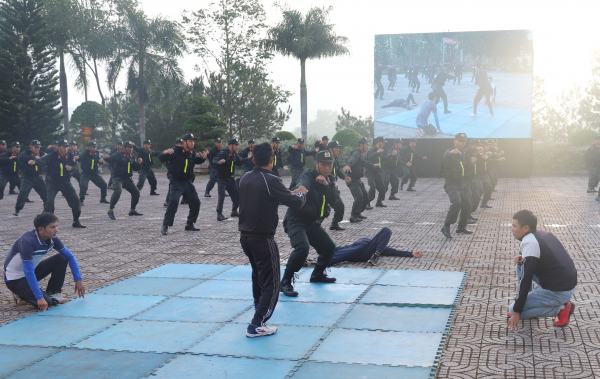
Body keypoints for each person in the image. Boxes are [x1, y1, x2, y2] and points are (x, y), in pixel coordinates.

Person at [238, 142, 307, 337]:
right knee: (273, 282)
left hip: (245, 237)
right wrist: (301, 192)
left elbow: (270, 196)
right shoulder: (271, 179)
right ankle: (257, 323)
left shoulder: (245, 178)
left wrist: (290, 192)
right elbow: (296, 203)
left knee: (258, 276)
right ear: (271, 160)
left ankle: (258, 311)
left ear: (253, 159)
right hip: (263, 239)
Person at [280, 151, 339, 297]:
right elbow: (302, 186)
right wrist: (299, 193)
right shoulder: (307, 175)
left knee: (329, 247)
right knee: (302, 248)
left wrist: (326, 185)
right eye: (324, 164)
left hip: (312, 223)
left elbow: (335, 201)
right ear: (316, 164)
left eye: (329, 164)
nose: (327, 168)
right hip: (296, 220)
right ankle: (285, 282)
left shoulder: (330, 179)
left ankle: (317, 274)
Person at [506, 210, 577, 330]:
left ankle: (563, 308)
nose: (512, 229)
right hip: (563, 283)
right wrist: (524, 258)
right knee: (520, 265)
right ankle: (528, 303)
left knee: (512, 310)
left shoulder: (530, 242)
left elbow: (526, 279)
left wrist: (517, 311)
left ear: (525, 228)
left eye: (514, 226)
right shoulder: (542, 234)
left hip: (559, 291)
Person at [4, 213, 85, 310]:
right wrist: (39, 298)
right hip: (15, 279)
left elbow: (70, 257)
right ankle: (20, 294)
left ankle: (51, 293)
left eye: (56, 226)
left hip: (30, 272)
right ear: (41, 229)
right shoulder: (27, 242)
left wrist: (78, 280)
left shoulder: (53, 238)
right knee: (46, 302)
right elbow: (28, 272)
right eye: (52, 227)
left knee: (61, 258)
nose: (56, 230)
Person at [159, 133, 207, 235]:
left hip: (187, 182)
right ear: (184, 142)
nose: (192, 143)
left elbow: (196, 160)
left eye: (193, 141)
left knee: (196, 202)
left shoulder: (191, 152)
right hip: (176, 181)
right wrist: (164, 153)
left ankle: (189, 224)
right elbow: (162, 159)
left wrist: (203, 158)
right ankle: (165, 225)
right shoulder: (175, 151)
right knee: (174, 201)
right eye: (190, 141)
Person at [36, 140, 85, 228]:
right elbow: (43, 160)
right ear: (59, 147)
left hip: (65, 183)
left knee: (76, 202)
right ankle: (47, 222)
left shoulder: (70, 156)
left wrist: (71, 168)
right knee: (49, 202)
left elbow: (75, 167)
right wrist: (34, 162)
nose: (66, 149)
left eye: (67, 147)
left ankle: (76, 221)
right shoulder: (52, 155)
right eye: (63, 147)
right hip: (53, 183)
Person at [327, 227, 423, 267]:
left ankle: (376, 255)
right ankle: (322, 263)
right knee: (346, 253)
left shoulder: (378, 245)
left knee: (386, 230)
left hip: (367, 251)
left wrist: (411, 253)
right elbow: (339, 250)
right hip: (357, 251)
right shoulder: (377, 244)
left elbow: (393, 251)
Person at [441, 133, 472, 238]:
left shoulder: (464, 153)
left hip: (461, 184)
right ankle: (446, 226)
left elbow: (468, 166)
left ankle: (461, 227)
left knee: (467, 204)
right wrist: (451, 152)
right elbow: (446, 154)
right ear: (455, 141)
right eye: (459, 141)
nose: (461, 143)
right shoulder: (450, 151)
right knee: (457, 202)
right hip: (451, 184)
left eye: (463, 141)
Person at [343, 137, 379, 222]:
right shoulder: (356, 153)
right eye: (366, 145)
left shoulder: (361, 154)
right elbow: (352, 159)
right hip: (352, 180)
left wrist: (373, 165)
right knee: (359, 196)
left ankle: (358, 213)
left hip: (357, 180)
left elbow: (364, 162)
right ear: (361, 145)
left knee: (365, 196)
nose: (368, 146)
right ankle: (353, 216)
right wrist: (348, 165)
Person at [105, 141, 143, 220]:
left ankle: (132, 210)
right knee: (118, 191)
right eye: (129, 147)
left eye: (131, 147)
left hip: (127, 179)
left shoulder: (132, 157)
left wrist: (139, 163)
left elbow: (135, 168)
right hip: (117, 178)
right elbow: (110, 160)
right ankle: (110, 210)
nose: (131, 149)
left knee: (136, 192)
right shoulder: (119, 155)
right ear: (124, 148)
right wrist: (106, 158)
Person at [214, 138, 249, 221]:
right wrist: (218, 162)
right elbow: (215, 159)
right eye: (235, 145)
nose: (237, 147)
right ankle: (219, 214)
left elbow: (239, 163)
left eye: (237, 145)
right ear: (230, 145)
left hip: (230, 178)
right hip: (221, 177)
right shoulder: (223, 153)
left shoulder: (235, 154)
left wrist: (248, 158)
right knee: (222, 195)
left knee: (236, 195)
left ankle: (234, 211)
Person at [14, 140, 47, 216]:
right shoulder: (26, 153)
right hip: (27, 177)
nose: (37, 149)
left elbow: (46, 156)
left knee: (46, 193)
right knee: (23, 193)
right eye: (35, 147)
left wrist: (42, 157)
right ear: (31, 146)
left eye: (38, 147)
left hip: (38, 177)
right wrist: (33, 157)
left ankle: (47, 209)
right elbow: (21, 157)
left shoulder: (41, 153)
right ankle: (17, 209)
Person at [326, 140, 350, 231]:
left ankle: (334, 223)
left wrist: (345, 177)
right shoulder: (326, 160)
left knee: (339, 205)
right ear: (330, 149)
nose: (338, 150)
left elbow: (338, 171)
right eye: (336, 148)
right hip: (325, 187)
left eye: (338, 148)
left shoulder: (335, 159)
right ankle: (314, 223)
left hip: (333, 187)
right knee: (322, 207)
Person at [78, 141, 109, 206]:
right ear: (89, 147)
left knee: (104, 184)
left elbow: (99, 161)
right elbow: (85, 158)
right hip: (86, 173)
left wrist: (101, 162)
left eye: (96, 147)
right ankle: (81, 200)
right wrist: (78, 157)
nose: (95, 148)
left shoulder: (97, 153)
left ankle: (103, 198)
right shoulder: (85, 153)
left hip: (94, 173)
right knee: (83, 186)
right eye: (93, 147)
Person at [365, 136, 387, 208]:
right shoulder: (372, 150)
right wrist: (377, 152)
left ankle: (379, 202)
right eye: (382, 142)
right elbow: (369, 157)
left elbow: (384, 159)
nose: (384, 144)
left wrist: (391, 156)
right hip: (370, 172)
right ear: (378, 143)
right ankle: (367, 202)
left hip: (377, 173)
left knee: (382, 188)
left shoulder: (381, 151)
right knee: (373, 186)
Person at [164, 138, 184, 207]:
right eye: (180, 144)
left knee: (186, 186)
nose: (181, 145)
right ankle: (167, 200)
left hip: (182, 173)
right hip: (173, 173)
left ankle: (184, 199)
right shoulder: (172, 151)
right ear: (176, 144)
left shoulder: (183, 151)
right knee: (172, 187)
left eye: (182, 144)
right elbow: (167, 162)